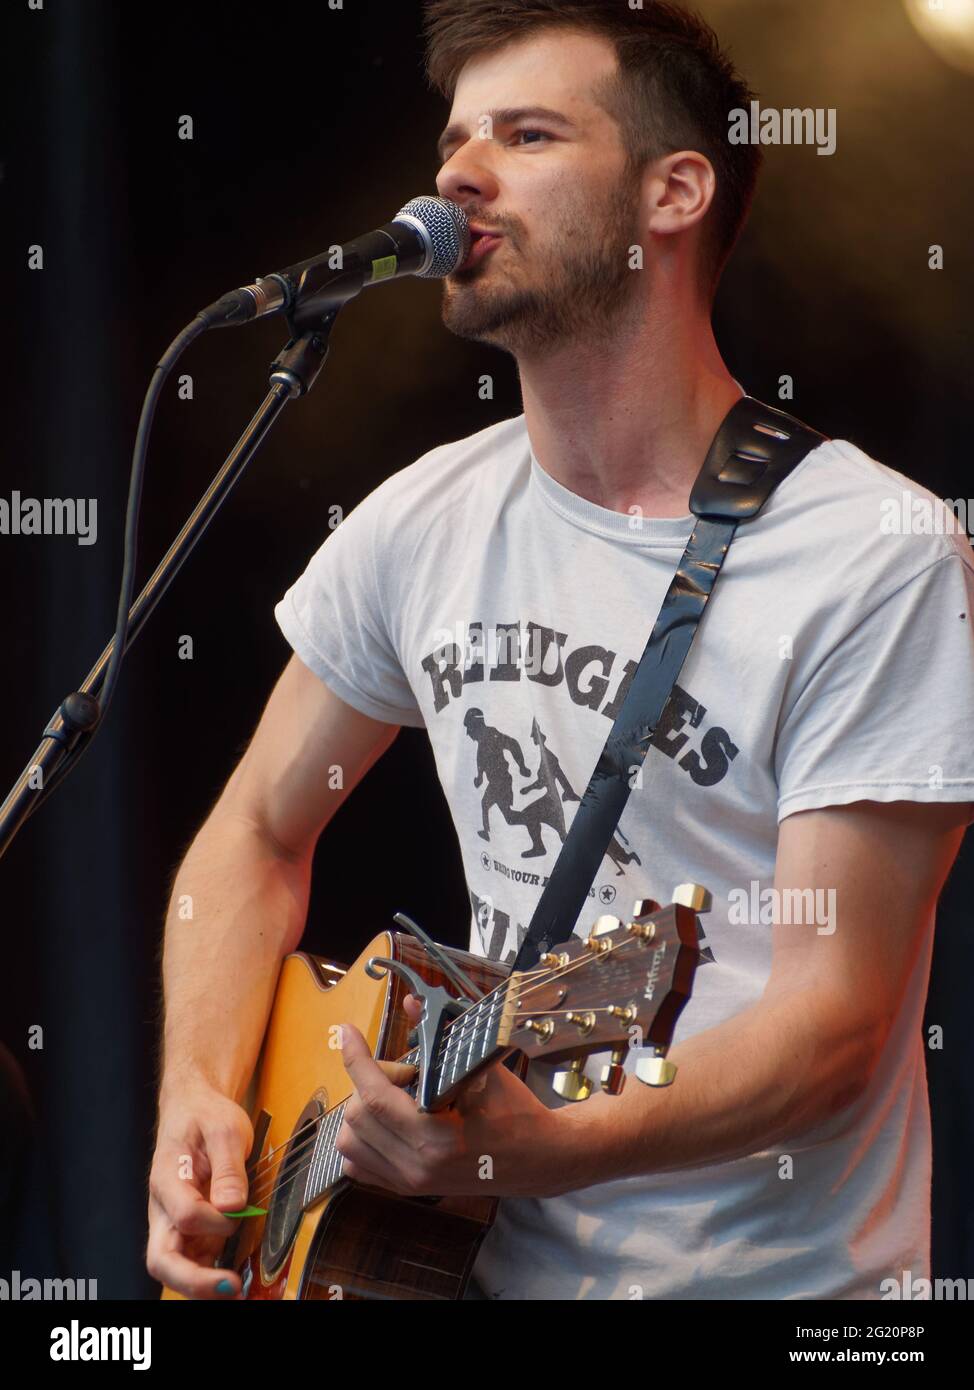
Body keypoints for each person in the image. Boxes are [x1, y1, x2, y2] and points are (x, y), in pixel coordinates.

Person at [146, 0, 974, 1301]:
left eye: (526, 134)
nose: (457, 175)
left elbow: (838, 1028)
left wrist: (535, 1152)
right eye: (454, 140)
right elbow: (251, 835)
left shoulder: (869, 550)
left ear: (673, 191)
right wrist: (198, 1089)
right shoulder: (424, 520)